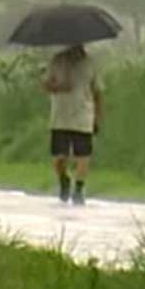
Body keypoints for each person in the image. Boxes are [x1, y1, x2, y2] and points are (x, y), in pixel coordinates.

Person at [43, 44, 101, 205]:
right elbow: (46, 85)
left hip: (83, 116)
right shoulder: (57, 61)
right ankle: (64, 180)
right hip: (60, 117)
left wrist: (97, 117)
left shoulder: (90, 64)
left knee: (83, 156)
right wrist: (58, 87)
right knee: (58, 158)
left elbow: (97, 91)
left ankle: (79, 188)